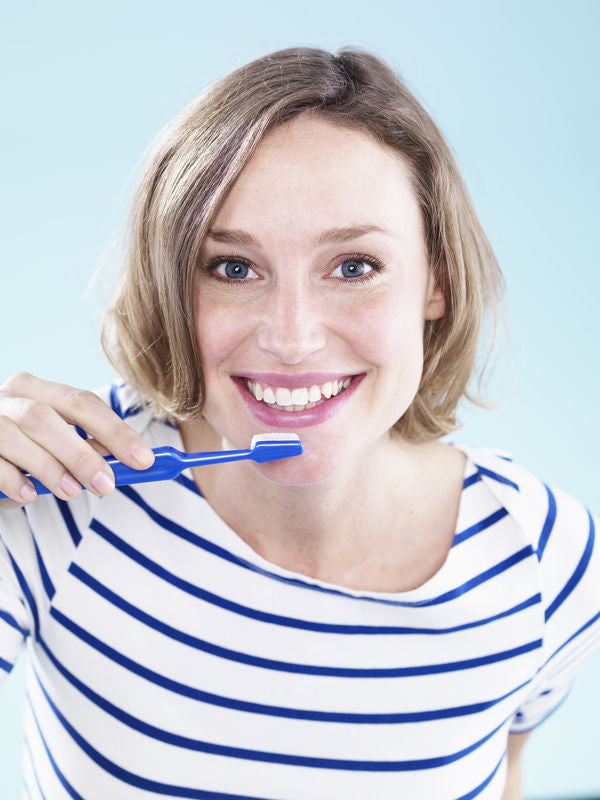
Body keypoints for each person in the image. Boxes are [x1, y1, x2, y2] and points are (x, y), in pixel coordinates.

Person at [0, 46, 598, 800]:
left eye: (353, 267)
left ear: (436, 283)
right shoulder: (57, 492)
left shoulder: (544, 558)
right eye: (233, 268)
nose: (292, 338)